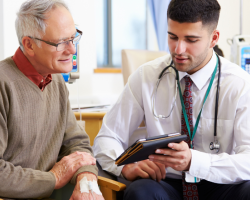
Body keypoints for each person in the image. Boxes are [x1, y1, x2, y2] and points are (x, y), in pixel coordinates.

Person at [93, 0, 250, 199]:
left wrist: (194, 161)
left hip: (220, 182)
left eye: (191, 40)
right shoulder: (146, 77)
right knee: (140, 192)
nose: (178, 49)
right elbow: (107, 137)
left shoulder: (240, 84)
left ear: (214, 38)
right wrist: (124, 166)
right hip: (166, 183)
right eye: (172, 37)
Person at [0, 0, 104, 199]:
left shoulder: (57, 80)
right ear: (29, 44)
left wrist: (85, 178)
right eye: (61, 42)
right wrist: (53, 178)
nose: (72, 50)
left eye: (73, 38)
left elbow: (76, 144)